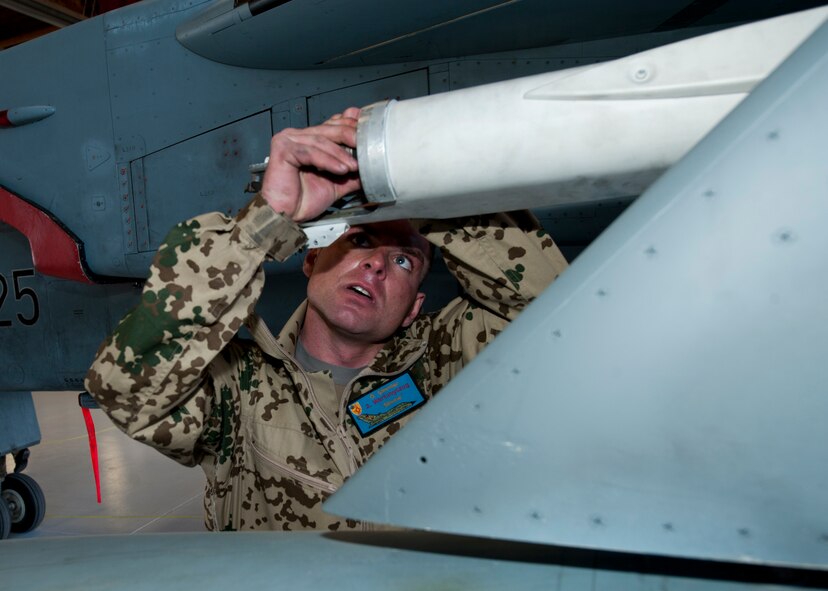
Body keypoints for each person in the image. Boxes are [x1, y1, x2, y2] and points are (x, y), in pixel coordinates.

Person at [85, 107, 568, 531]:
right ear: (310, 261)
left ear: (414, 308)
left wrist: (434, 189)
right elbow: (126, 392)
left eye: (404, 261)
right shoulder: (238, 388)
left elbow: (554, 315)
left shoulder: (448, 363)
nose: (377, 264)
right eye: (360, 242)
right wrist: (267, 220)